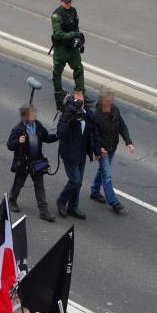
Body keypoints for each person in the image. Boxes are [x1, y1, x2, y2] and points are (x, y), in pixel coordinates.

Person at [6, 105, 58, 222]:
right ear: (25, 116)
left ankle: (44, 212)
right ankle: (12, 200)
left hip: (36, 162)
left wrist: (57, 136)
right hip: (23, 162)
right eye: (32, 114)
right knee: (18, 183)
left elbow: (46, 137)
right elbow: (10, 145)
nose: (34, 115)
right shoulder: (18, 129)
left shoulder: (37, 125)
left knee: (40, 186)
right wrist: (18, 141)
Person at [56, 91, 99, 220]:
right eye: (77, 101)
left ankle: (73, 207)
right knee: (75, 181)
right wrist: (69, 115)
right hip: (69, 153)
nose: (80, 104)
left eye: (82, 101)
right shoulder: (67, 114)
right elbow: (60, 133)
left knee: (78, 183)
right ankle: (62, 201)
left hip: (81, 153)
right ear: (72, 101)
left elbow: (93, 133)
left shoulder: (87, 115)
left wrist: (96, 150)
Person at [90, 91, 134, 213]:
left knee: (103, 170)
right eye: (108, 102)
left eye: (111, 101)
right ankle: (113, 202)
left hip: (112, 147)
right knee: (107, 175)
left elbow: (122, 126)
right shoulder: (96, 116)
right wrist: (98, 149)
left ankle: (94, 191)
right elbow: (93, 135)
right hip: (103, 150)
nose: (111, 104)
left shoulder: (115, 110)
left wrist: (128, 142)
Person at [50, 0, 85, 109]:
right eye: (66, 2)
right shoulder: (57, 15)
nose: (68, 4)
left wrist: (79, 42)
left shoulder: (73, 11)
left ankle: (79, 92)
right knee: (57, 72)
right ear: (61, 2)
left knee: (79, 68)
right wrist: (73, 34)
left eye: (69, 2)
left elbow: (76, 27)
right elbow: (58, 34)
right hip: (61, 48)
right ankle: (58, 94)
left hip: (72, 47)